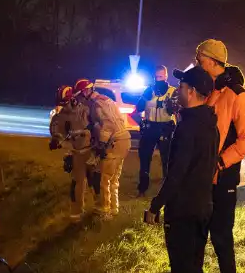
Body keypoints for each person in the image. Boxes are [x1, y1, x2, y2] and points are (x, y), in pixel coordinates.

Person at [144, 66, 221, 273]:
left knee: (181, 268)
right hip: (203, 205)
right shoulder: (211, 124)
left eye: (182, 87)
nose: (178, 91)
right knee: (195, 267)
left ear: (191, 91)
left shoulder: (187, 128)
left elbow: (175, 174)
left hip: (184, 209)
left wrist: (155, 206)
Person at [195, 39, 245, 273]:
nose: (197, 63)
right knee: (195, 239)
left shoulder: (237, 95)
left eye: (199, 59)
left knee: (221, 239)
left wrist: (221, 162)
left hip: (223, 179)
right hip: (198, 178)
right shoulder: (203, 90)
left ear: (212, 61)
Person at [74, 78, 131, 219]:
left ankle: (104, 212)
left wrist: (100, 145)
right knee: (113, 178)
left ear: (86, 92)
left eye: (80, 95)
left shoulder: (96, 104)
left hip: (114, 143)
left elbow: (106, 126)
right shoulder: (105, 99)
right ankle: (113, 208)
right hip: (124, 140)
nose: (80, 100)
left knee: (103, 178)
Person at [49, 85, 96, 222]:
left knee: (96, 181)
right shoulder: (61, 116)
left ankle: (100, 211)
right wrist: (56, 139)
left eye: (65, 103)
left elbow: (96, 124)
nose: (63, 107)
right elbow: (56, 129)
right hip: (77, 152)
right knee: (77, 182)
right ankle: (76, 213)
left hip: (92, 149)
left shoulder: (85, 108)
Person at [134, 65, 179, 197]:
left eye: (160, 76)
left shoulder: (173, 91)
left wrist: (172, 104)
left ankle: (168, 189)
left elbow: (176, 111)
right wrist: (144, 99)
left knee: (167, 159)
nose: (158, 79)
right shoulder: (148, 90)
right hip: (150, 128)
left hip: (165, 127)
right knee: (144, 158)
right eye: (156, 77)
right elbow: (137, 109)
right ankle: (142, 189)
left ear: (166, 76)